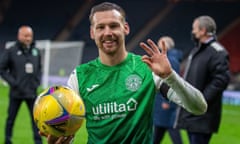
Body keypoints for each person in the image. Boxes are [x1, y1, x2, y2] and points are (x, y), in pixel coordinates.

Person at [40, 2, 207, 143]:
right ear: (93, 33)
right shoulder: (80, 76)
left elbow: (199, 107)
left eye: (113, 26)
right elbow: (69, 129)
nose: (108, 33)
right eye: (100, 27)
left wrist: (170, 76)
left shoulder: (147, 68)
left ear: (125, 28)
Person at [175, 15, 230, 144]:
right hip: (193, 113)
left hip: (203, 115)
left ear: (203, 31)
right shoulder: (197, 50)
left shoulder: (218, 52)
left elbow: (221, 80)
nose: (192, 32)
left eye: (194, 28)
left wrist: (201, 100)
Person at [0, 25, 43, 144]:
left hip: (32, 92)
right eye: (25, 35)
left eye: (30, 36)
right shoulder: (11, 51)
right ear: (19, 36)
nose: (28, 38)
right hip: (16, 93)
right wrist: (14, 83)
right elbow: (2, 69)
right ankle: (7, 141)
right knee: (10, 119)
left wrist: (37, 82)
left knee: (36, 120)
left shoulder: (36, 51)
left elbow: (39, 68)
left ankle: (38, 141)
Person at [153, 36, 183, 144]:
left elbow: (171, 81)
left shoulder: (171, 60)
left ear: (165, 45)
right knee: (158, 130)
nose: (158, 45)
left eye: (160, 43)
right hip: (162, 100)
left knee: (169, 128)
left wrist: (166, 101)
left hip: (165, 101)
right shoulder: (169, 58)